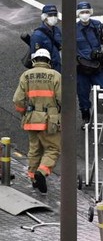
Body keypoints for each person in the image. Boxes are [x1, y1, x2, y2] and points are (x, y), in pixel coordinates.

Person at [13, 48, 62, 194]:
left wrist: (24, 113)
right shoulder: (56, 76)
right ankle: (42, 171)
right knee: (52, 148)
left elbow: (18, 100)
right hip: (50, 119)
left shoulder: (26, 75)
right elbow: (62, 99)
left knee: (34, 149)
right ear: (48, 61)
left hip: (32, 118)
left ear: (34, 60)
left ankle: (33, 178)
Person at [75, 1, 103, 125]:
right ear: (78, 14)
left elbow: (102, 42)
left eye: (87, 12)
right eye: (82, 12)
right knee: (83, 93)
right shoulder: (73, 29)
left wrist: (99, 56)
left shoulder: (97, 25)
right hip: (81, 67)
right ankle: (86, 115)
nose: (85, 14)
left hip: (96, 66)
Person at [30, 4, 63, 73]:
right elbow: (34, 56)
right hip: (46, 70)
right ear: (44, 17)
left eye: (55, 15)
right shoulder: (37, 35)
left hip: (58, 67)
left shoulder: (57, 30)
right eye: (50, 15)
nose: (53, 17)